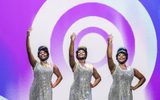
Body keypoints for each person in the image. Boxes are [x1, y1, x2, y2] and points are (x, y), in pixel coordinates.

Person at [26, 28, 63, 100]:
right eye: (40, 53)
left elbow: (60, 77)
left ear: (47, 54)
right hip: (35, 90)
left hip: (47, 92)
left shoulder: (52, 66)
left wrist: (54, 85)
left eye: (44, 53)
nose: (42, 54)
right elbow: (28, 51)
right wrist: (27, 36)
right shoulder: (35, 64)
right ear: (38, 55)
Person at [107, 35, 146, 100]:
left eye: (123, 55)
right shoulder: (114, 68)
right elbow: (109, 57)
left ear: (126, 57)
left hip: (127, 96)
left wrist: (135, 87)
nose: (121, 57)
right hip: (114, 95)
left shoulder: (132, 70)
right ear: (116, 57)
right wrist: (110, 43)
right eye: (119, 55)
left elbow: (142, 78)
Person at [69, 33, 101, 100]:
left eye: (83, 52)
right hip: (75, 92)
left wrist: (93, 85)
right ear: (77, 55)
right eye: (79, 52)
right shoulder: (75, 65)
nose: (81, 53)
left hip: (87, 93)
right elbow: (71, 55)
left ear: (86, 54)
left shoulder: (91, 67)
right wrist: (72, 41)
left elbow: (98, 78)